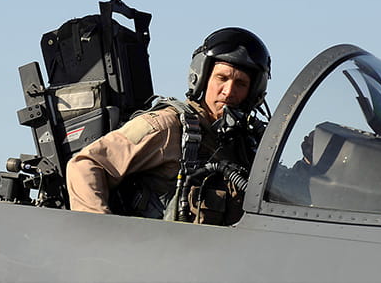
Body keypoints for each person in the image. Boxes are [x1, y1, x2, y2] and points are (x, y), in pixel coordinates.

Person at [66, 27, 271, 225]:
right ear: (202, 78)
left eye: (241, 83)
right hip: (154, 254)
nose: (228, 91)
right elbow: (86, 164)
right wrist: (101, 235)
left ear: (253, 93)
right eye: (222, 78)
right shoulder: (167, 126)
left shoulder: (244, 146)